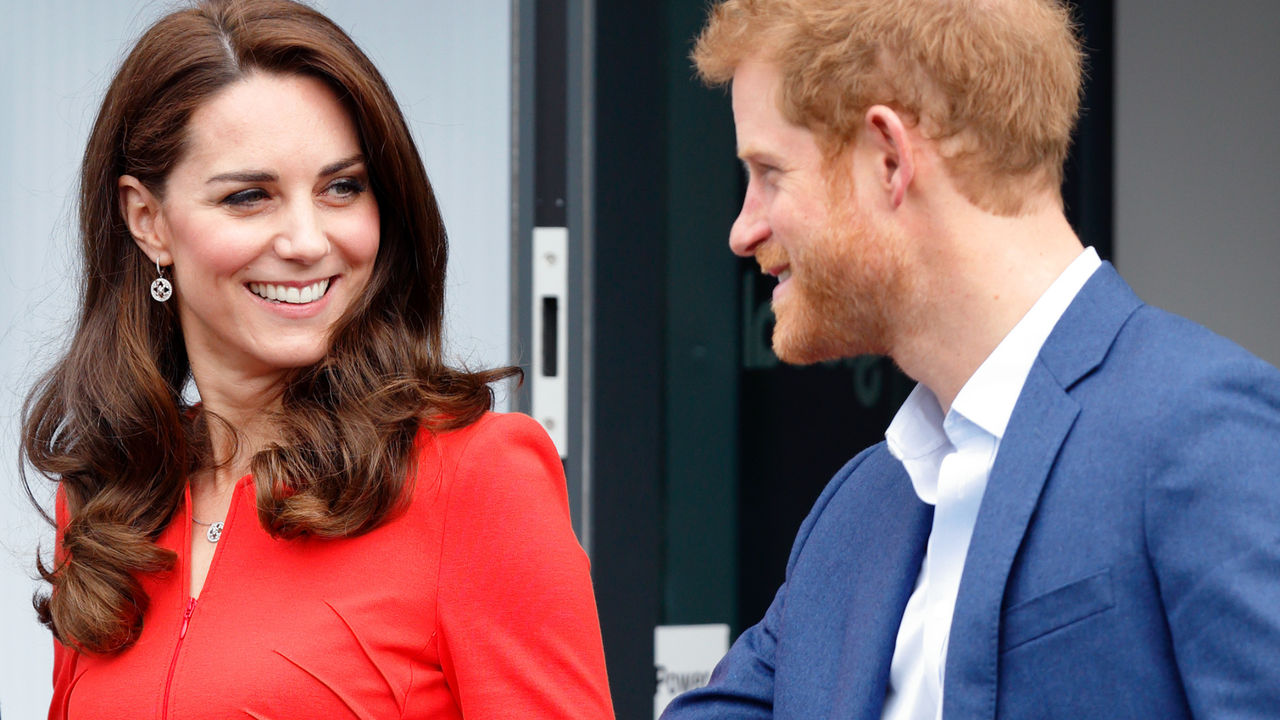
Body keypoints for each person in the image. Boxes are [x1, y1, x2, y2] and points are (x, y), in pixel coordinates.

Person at [663, 0, 1280, 718]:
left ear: (888, 159)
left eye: (770, 172)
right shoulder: (854, 514)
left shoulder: (1201, 433)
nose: (744, 229)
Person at [20, 1, 613, 718]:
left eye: (342, 187)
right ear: (148, 220)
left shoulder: (478, 477)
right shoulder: (110, 498)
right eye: (248, 196)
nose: (306, 240)